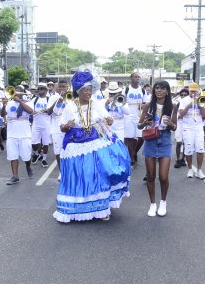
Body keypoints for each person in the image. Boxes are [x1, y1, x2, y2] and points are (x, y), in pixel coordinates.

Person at [53, 71, 131, 223]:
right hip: (76, 142)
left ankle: (102, 208)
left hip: (95, 140)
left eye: (90, 89)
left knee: (98, 173)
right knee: (80, 175)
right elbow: (61, 127)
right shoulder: (70, 106)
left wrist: (109, 120)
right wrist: (67, 125)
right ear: (78, 91)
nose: (88, 92)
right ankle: (75, 208)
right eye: (85, 90)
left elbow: (107, 119)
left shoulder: (96, 104)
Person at [137, 81, 177, 217]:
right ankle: (152, 204)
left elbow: (175, 127)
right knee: (150, 176)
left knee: (164, 176)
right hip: (150, 141)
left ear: (167, 91)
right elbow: (139, 126)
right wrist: (145, 123)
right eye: (157, 88)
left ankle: (163, 202)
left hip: (165, 140)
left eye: (162, 88)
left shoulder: (172, 106)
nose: (159, 91)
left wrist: (171, 123)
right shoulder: (148, 105)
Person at [1, 86, 34, 184]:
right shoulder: (9, 103)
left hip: (24, 134)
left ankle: (28, 165)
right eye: (15, 91)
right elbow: (2, 114)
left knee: (26, 156)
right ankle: (15, 176)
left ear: (23, 93)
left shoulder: (28, 102)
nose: (17, 93)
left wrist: (19, 101)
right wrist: (3, 105)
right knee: (13, 156)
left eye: (19, 91)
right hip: (11, 134)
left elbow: (30, 111)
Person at [179, 82, 205, 179]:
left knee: (200, 148)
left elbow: (204, 115)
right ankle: (190, 169)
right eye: (191, 91)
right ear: (189, 90)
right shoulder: (184, 100)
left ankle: (199, 170)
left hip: (198, 127)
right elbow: (181, 115)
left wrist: (200, 104)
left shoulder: (201, 100)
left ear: (198, 90)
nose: (193, 93)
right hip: (187, 127)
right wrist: (190, 104)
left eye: (195, 91)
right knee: (188, 149)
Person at [47, 80, 69, 180]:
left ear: (67, 88)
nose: (62, 89)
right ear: (57, 88)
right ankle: (61, 172)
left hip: (68, 128)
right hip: (56, 128)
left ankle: (70, 171)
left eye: (64, 87)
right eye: (60, 87)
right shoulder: (53, 98)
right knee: (58, 151)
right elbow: (48, 112)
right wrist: (57, 101)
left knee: (70, 151)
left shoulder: (71, 98)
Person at [124, 72, 146, 166]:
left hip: (139, 115)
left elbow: (145, 103)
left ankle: (134, 152)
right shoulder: (126, 89)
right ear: (131, 78)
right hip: (128, 115)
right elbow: (122, 102)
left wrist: (142, 106)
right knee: (130, 137)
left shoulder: (142, 90)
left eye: (138, 77)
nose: (137, 78)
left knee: (141, 137)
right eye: (135, 77)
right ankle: (131, 158)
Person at [30, 82, 51, 167]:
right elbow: (30, 110)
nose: (39, 90)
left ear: (46, 90)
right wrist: (32, 112)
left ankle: (44, 159)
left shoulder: (49, 99)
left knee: (45, 143)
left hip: (46, 125)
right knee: (33, 143)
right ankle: (36, 154)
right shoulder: (34, 100)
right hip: (36, 124)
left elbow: (51, 112)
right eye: (39, 89)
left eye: (42, 89)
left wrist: (47, 110)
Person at [173, 88, 188, 168]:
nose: (183, 96)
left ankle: (183, 159)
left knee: (185, 143)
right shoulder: (177, 104)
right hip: (179, 124)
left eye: (185, 95)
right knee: (179, 142)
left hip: (187, 125)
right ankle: (178, 159)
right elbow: (175, 114)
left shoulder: (190, 103)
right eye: (182, 95)